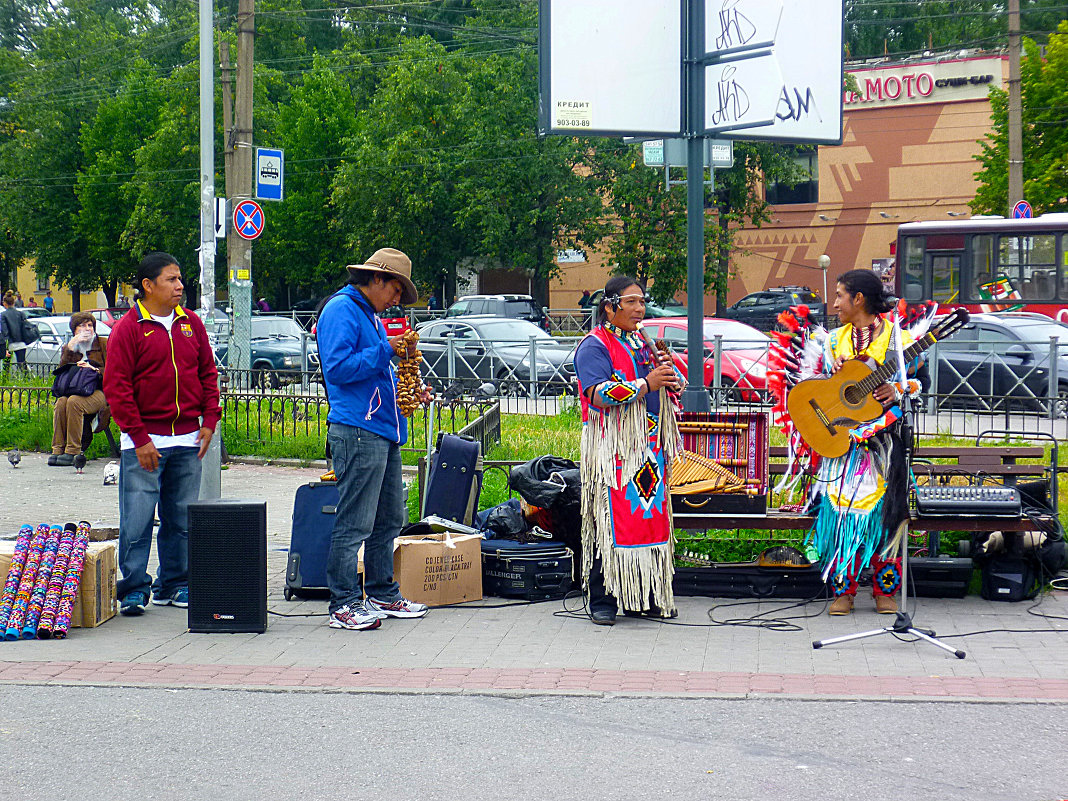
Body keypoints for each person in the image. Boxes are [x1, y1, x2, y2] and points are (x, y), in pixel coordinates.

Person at [316, 247, 433, 631]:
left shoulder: (370, 315)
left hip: (383, 429)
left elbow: (377, 376)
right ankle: (343, 602)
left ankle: (382, 592)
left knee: (389, 519)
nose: (397, 299)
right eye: (396, 289)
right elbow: (337, 369)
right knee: (355, 521)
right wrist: (386, 349)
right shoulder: (341, 310)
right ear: (376, 278)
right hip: (357, 431)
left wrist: (412, 392)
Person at [103, 252, 221, 616]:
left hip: (188, 440)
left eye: (180, 278)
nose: (180, 286)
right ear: (148, 286)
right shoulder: (128, 328)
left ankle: (175, 583)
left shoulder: (192, 324)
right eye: (171, 279)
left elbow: (207, 374)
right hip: (144, 443)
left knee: (181, 520)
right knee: (137, 521)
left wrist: (209, 421)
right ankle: (134, 589)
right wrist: (139, 438)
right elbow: (117, 387)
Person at [810, 269, 926, 616]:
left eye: (840, 295)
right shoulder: (832, 341)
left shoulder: (897, 339)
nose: (835, 303)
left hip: (884, 443)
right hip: (843, 439)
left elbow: (921, 381)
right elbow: (816, 385)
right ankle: (843, 591)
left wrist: (899, 388)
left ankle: (884, 591)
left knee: (886, 514)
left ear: (858, 299)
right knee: (841, 512)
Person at [572, 275, 682, 626]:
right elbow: (597, 393)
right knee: (610, 523)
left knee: (648, 523)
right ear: (610, 307)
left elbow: (668, 390)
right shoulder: (594, 346)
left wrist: (668, 372)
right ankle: (603, 597)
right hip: (613, 451)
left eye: (642, 301)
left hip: (649, 448)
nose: (640, 308)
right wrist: (645, 383)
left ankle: (644, 594)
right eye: (631, 301)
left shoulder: (641, 343)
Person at [50, 312, 109, 466]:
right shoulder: (70, 347)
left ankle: (73, 451)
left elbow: (115, 371)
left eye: (90, 325)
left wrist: (94, 369)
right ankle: (57, 449)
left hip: (100, 392)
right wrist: (70, 348)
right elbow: (61, 373)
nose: (87, 329)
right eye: (82, 325)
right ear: (74, 330)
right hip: (74, 391)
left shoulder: (103, 344)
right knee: (62, 402)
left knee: (74, 402)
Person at [0, 291, 29, 368]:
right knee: (22, 365)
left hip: (9, 343)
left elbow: (4, 331)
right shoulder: (21, 313)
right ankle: (26, 379)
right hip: (21, 342)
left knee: (6, 366)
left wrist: (5, 347)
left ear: (4, 304)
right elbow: (25, 327)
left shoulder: (3, 315)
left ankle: (5, 380)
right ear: (14, 302)